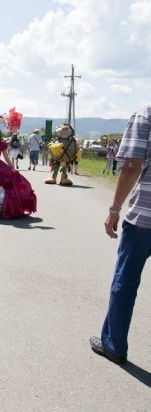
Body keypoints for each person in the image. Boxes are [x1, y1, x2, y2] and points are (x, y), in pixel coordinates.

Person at [90, 104, 151, 364]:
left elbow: (131, 165)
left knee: (125, 283)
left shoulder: (145, 114)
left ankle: (114, 345)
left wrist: (114, 210)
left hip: (144, 219)